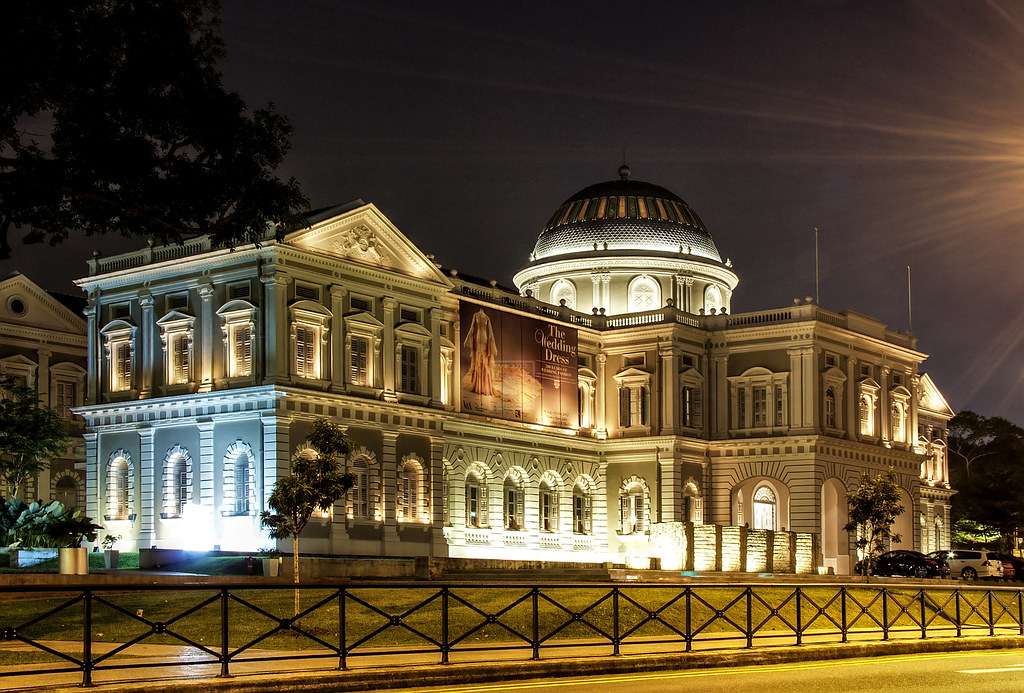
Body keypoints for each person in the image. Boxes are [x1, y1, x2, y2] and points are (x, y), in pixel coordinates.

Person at [463, 309, 498, 396]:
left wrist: (492, 345)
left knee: (485, 362)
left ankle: (485, 386)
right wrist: (467, 339)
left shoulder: (487, 317)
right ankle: (479, 386)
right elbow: (472, 327)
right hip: (478, 338)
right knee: (478, 362)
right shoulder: (475, 315)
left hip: (485, 339)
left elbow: (490, 332)